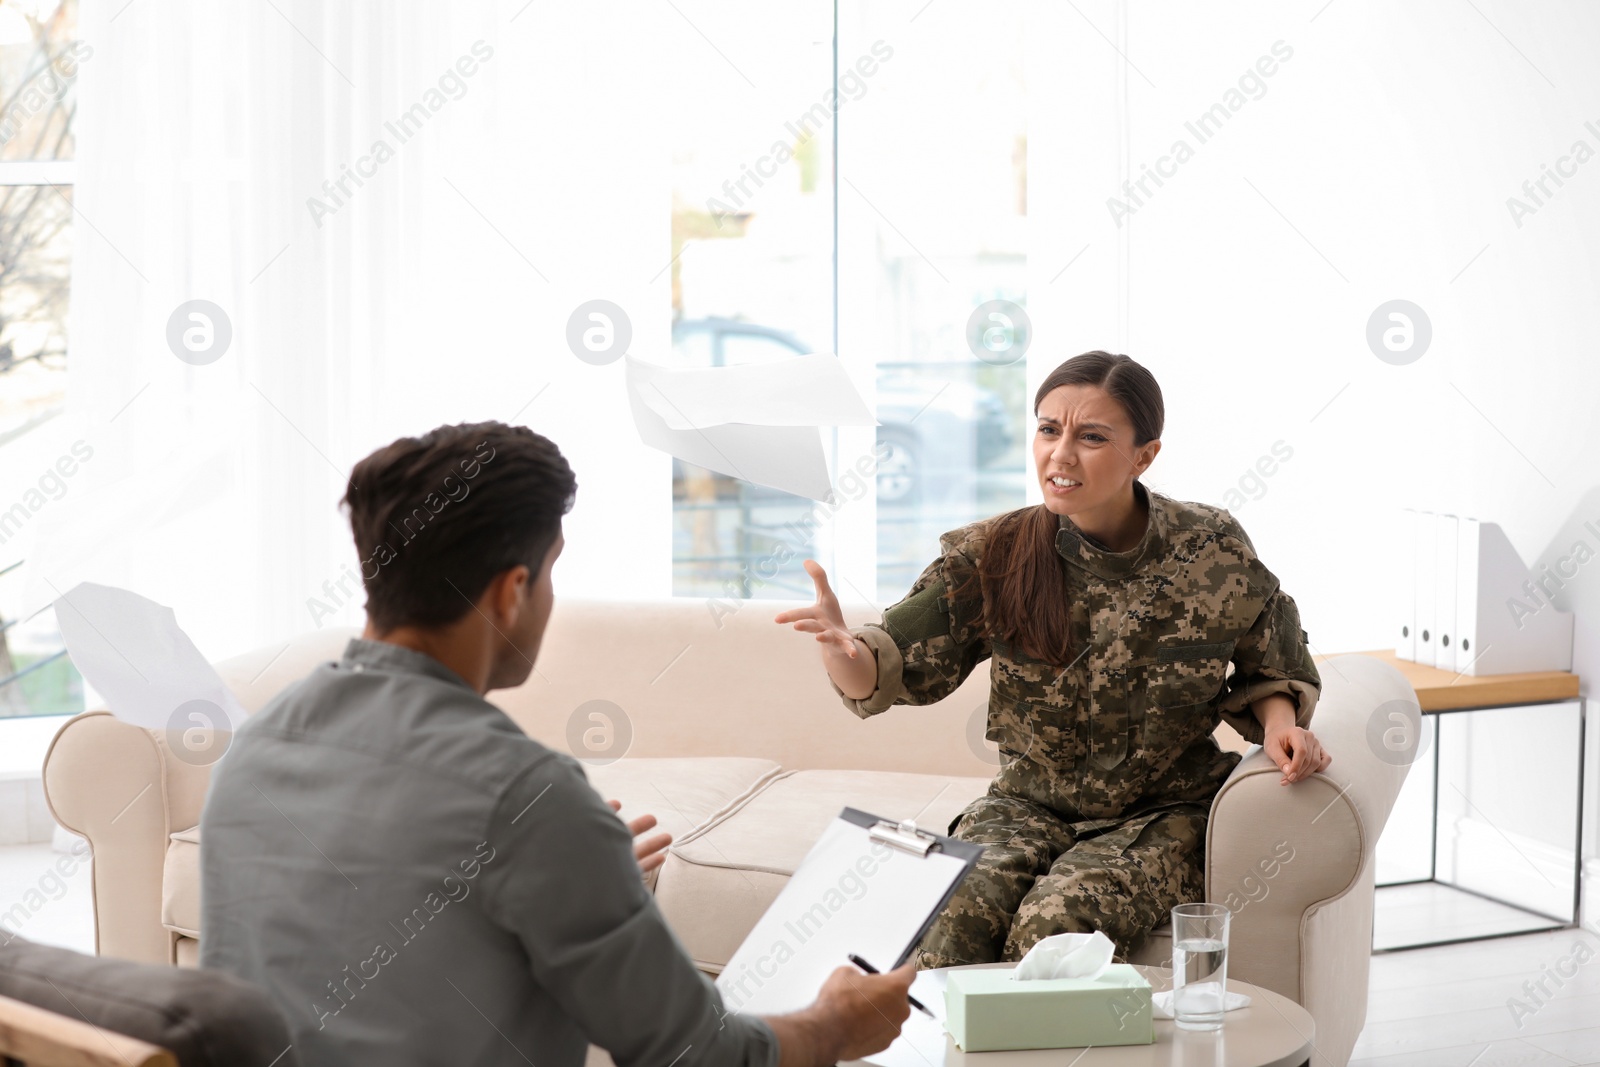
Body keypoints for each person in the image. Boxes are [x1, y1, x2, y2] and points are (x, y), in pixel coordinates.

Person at [200, 421, 913, 1067]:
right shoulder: (525, 795)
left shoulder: (255, 748)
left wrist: (577, 883)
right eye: (551, 570)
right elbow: (697, 1055)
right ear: (512, 589)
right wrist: (834, 1025)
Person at [775, 350, 1331, 967]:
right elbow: (889, 664)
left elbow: (1267, 658)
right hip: (1024, 805)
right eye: (1048, 429)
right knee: (947, 922)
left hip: (1161, 813)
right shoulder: (996, 552)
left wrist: (1282, 727)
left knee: (1054, 931)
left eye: (1091, 437)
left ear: (1144, 455)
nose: (1061, 454)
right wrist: (843, 649)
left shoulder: (1208, 546)